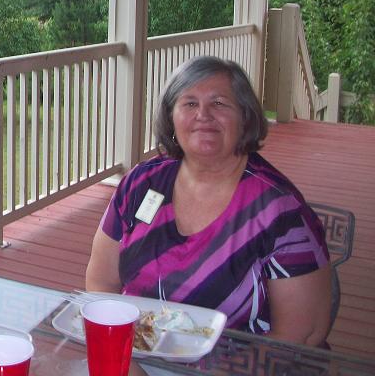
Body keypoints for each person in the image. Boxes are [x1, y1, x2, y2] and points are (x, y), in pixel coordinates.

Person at [86, 56, 332, 346]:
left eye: (219, 103)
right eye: (189, 103)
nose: (203, 114)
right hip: (135, 352)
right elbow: (101, 283)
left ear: (245, 117)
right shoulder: (141, 182)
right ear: (171, 117)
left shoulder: (278, 210)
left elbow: (303, 333)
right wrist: (123, 357)